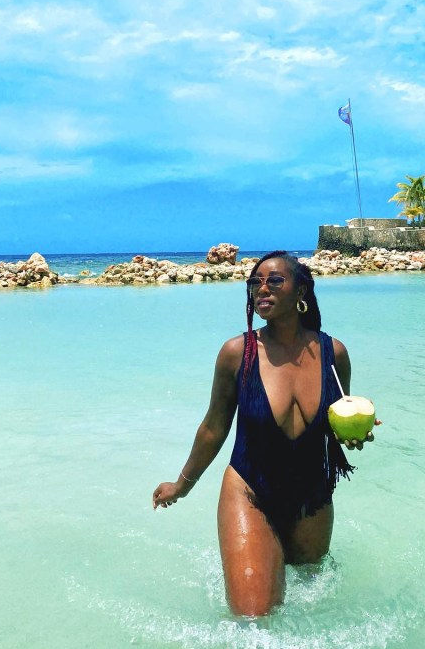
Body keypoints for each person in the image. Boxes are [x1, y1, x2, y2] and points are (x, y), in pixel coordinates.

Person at [152, 250, 380, 617]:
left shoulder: (333, 353)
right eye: (254, 282)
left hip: (312, 497)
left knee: (312, 605)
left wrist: (356, 435)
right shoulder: (236, 353)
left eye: (275, 280)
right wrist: (182, 486)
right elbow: (214, 427)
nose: (262, 288)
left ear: (301, 290)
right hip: (249, 490)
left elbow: (338, 424)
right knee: (253, 618)